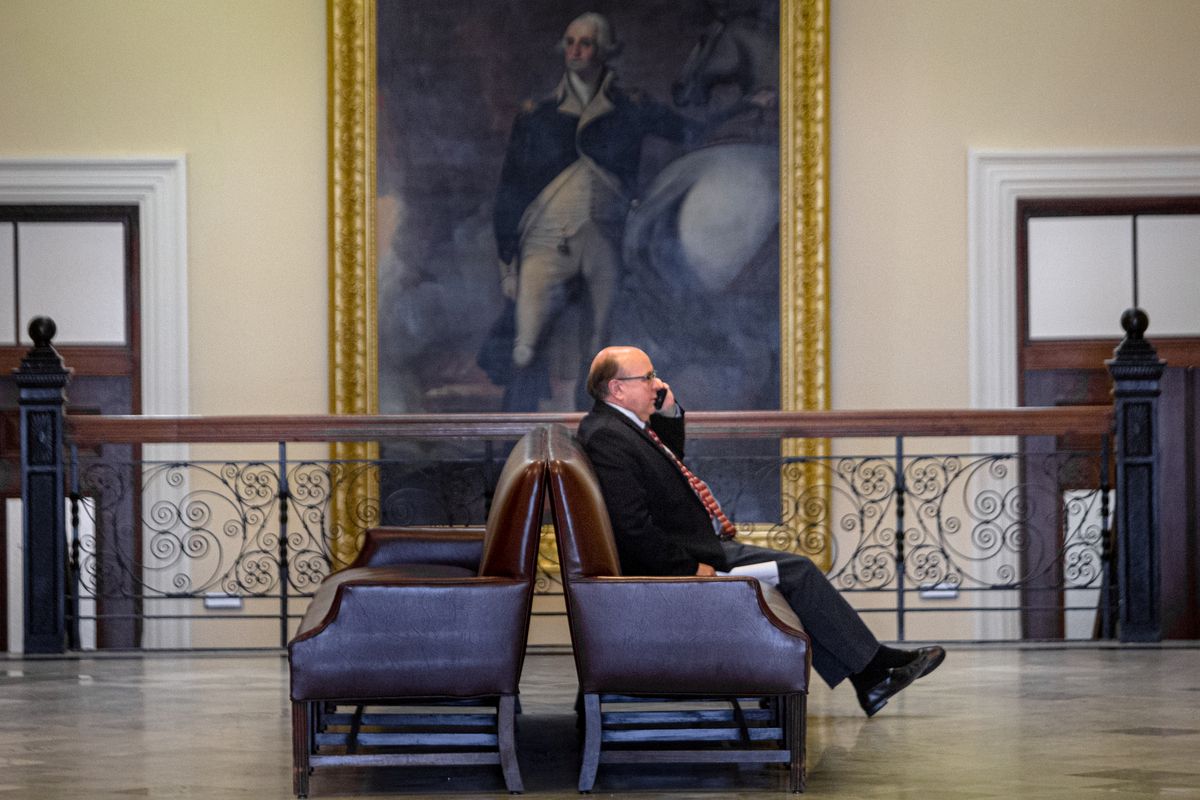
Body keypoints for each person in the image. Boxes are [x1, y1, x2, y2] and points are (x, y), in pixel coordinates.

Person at [577, 345, 946, 716]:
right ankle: (872, 672)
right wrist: (687, 569)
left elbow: (665, 463)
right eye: (648, 377)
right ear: (617, 389)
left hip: (695, 548)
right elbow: (631, 526)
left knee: (795, 572)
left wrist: (670, 411)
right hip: (682, 564)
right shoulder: (608, 435)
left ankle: (871, 673)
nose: (658, 383)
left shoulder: (620, 426)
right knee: (797, 571)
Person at [491, 12, 699, 410]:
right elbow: (510, 189)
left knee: (601, 350)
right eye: (570, 42)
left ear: (603, 51)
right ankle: (510, 447)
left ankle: (595, 443)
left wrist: (747, 108)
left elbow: (689, 130)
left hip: (605, 237)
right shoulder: (538, 113)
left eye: (585, 44)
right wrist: (507, 263)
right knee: (524, 345)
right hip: (546, 238)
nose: (575, 51)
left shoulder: (630, 107)